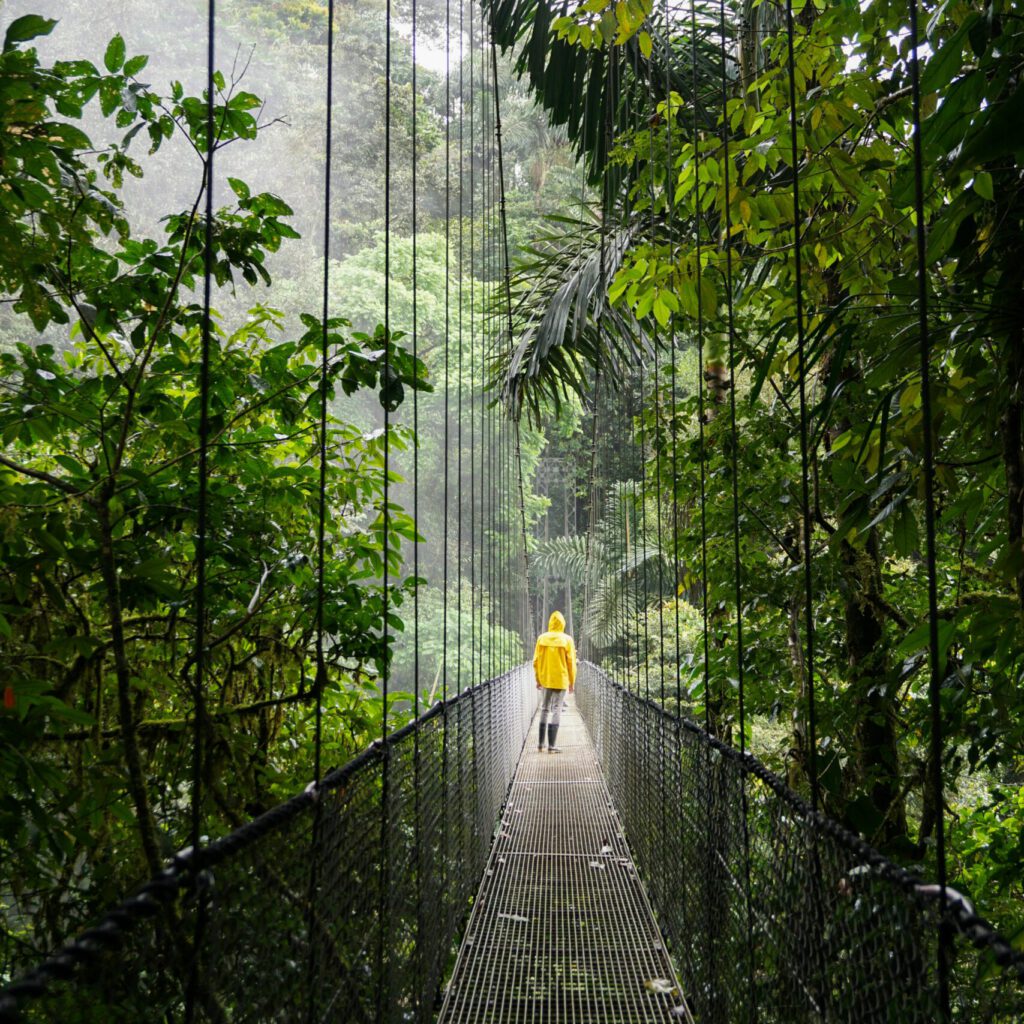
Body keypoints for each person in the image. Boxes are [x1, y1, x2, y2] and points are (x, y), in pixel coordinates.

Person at [532, 610, 577, 753]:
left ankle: (540, 745)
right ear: (563, 623)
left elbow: (535, 661)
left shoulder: (541, 638)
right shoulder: (567, 640)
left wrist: (538, 679)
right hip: (561, 680)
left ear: (550, 623)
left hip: (546, 679)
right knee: (556, 709)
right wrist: (572, 682)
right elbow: (571, 663)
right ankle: (551, 746)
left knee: (544, 709)